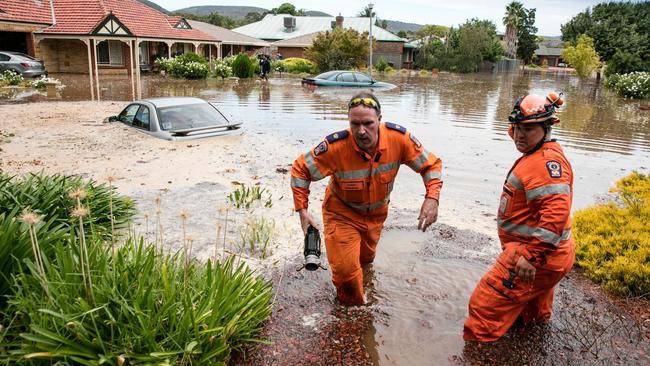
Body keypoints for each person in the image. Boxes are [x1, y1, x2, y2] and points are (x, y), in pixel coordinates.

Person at [290, 92, 443, 305]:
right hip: (341, 214)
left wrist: (432, 198)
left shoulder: (399, 139)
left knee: (365, 262)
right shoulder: (335, 147)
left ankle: (363, 298)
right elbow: (300, 170)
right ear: (349, 122)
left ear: (379, 119)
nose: (361, 131)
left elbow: (431, 165)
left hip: (376, 217)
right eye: (355, 124)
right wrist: (302, 211)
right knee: (347, 275)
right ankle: (352, 319)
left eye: (368, 123)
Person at [463, 91, 575, 341]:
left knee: (484, 310)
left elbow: (556, 214)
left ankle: (480, 353)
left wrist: (531, 258)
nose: (519, 135)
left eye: (528, 129)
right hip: (552, 255)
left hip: (533, 255)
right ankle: (531, 345)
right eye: (516, 128)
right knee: (532, 316)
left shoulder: (544, 164)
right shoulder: (539, 154)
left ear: (547, 128)